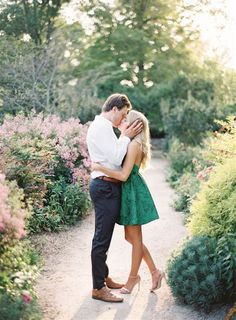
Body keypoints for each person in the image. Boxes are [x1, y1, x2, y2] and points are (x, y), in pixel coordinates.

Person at [92, 110, 165, 295]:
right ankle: (155, 272)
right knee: (131, 238)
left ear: (134, 125)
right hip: (129, 191)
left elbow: (124, 175)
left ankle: (133, 279)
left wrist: (99, 167)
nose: (123, 121)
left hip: (132, 192)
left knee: (135, 238)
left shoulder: (134, 145)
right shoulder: (133, 143)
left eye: (126, 119)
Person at [86, 93, 143, 303]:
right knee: (102, 237)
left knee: (104, 236)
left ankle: (104, 277)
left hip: (106, 186)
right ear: (115, 109)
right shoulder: (101, 127)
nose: (124, 119)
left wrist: (122, 135)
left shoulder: (103, 127)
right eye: (124, 114)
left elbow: (112, 157)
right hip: (104, 187)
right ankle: (98, 287)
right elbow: (118, 157)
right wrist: (126, 136)